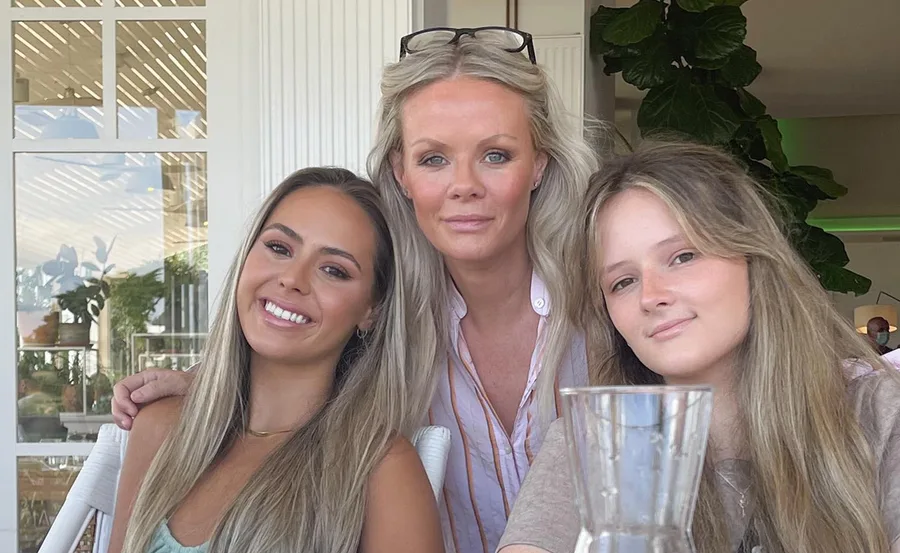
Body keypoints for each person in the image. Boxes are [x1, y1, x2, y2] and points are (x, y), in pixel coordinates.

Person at [110, 27, 600, 553]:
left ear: (539, 165)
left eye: (496, 155)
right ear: (401, 171)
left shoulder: (611, 304)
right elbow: (296, 342)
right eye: (433, 158)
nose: (464, 185)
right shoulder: (392, 320)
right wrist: (208, 385)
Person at [498, 141, 900, 553]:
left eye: (683, 256)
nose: (650, 296)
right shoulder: (594, 443)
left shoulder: (880, 413)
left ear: (752, 256)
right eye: (623, 281)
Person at [108, 167, 443, 553]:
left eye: (334, 270)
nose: (292, 279)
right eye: (279, 248)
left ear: (371, 310)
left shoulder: (380, 470)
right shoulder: (160, 428)